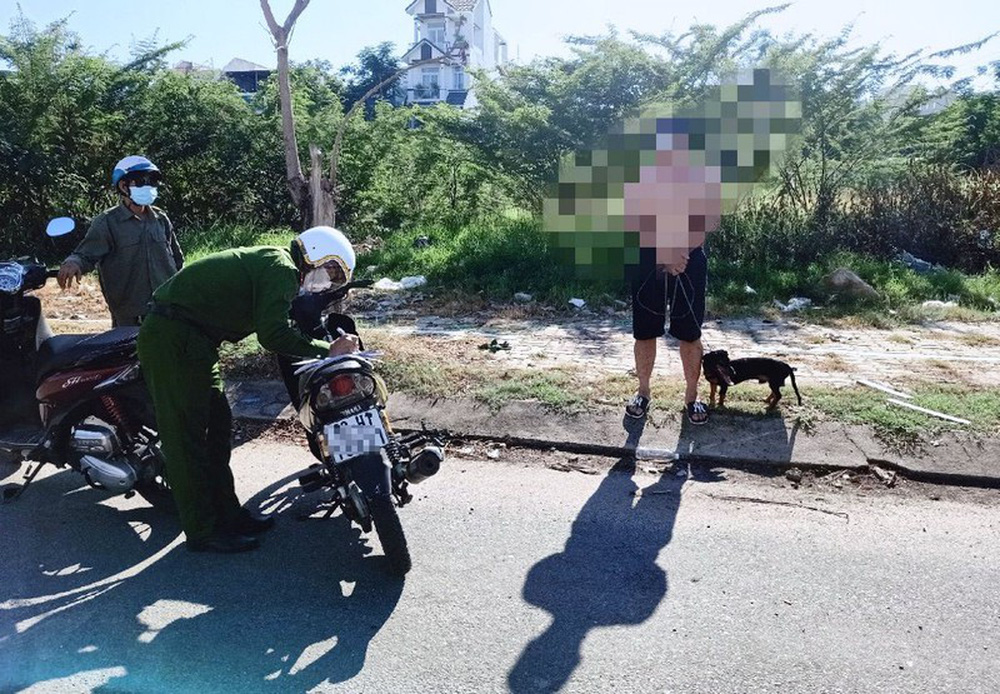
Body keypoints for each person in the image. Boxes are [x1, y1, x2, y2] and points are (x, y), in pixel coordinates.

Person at [137, 226, 361, 553]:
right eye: (330, 271)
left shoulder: (280, 267)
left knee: (217, 431)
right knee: (187, 440)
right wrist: (327, 350)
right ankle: (202, 531)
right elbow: (272, 335)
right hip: (172, 339)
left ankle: (229, 514)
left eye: (335, 278)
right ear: (314, 254)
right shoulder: (282, 269)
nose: (327, 281)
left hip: (197, 342)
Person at [57, 155, 183, 327]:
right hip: (130, 317)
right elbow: (85, 255)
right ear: (123, 186)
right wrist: (73, 263)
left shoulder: (161, 219)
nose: (148, 186)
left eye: (152, 181)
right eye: (141, 181)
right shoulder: (107, 222)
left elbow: (177, 261)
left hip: (166, 311)